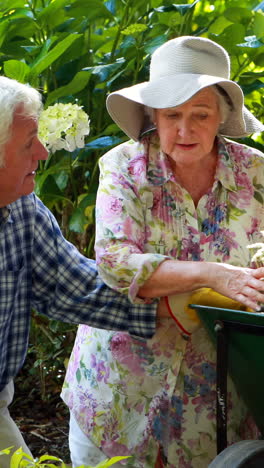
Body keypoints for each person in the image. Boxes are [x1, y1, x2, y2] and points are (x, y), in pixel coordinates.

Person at [61, 36, 264, 468]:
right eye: (172, 115)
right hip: (120, 388)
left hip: (213, 399)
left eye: (200, 114)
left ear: (223, 116)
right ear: (153, 114)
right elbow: (114, 261)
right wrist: (211, 274)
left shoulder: (255, 172)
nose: (185, 130)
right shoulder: (122, 166)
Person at [0, 75, 163, 468]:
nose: (42, 152)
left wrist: (176, 301)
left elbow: (73, 284)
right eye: (27, 144)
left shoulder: (21, 209)